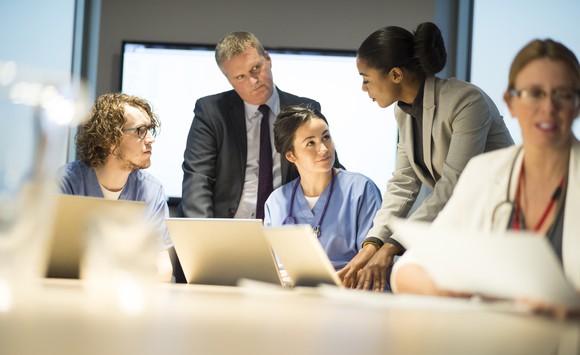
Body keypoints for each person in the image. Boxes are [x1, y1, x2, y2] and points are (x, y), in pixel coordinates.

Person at [391, 39, 580, 317]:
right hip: (490, 346)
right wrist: (446, 289)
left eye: (562, 94)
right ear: (511, 103)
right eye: (534, 93)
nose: (548, 108)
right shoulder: (484, 172)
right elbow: (408, 269)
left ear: (577, 104)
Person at [338, 22, 514, 291]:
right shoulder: (403, 112)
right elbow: (403, 183)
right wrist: (372, 244)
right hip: (461, 223)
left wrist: (393, 246)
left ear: (395, 75)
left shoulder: (467, 101)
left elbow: (452, 186)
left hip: (500, 223)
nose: (364, 89)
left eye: (366, 79)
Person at [178, 31, 342, 220]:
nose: (253, 81)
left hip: (287, 225)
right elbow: (198, 178)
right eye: (240, 77)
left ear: (268, 59)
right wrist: (203, 237)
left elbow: (328, 168)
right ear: (229, 79)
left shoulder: (304, 110)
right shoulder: (211, 111)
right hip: (226, 226)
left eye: (256, 68)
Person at [58, 93, 173, 280]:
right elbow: (53, 262)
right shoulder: (65, 183)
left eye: (150, 130)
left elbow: (163, 269)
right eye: (140, 131)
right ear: (109, 139)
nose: (151, 139)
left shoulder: (152, 190)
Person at [264, 105, 382, 270]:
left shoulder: (361, 190)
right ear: (291, 155)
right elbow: (272, 266)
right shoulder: (276, 202)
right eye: (310, 143)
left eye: (326, 137)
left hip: (348, 290)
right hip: (293, 293)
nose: (324, 149)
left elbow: (372, 265)